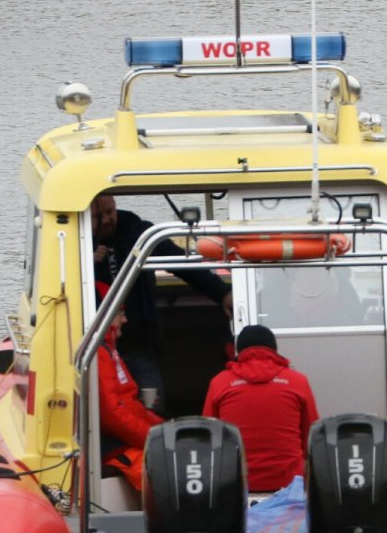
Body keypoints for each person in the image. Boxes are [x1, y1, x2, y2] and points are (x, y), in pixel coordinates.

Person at [91, 193, 232, 405]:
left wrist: (222, 293)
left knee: (153, 406)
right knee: (103, 409)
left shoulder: (139, 232)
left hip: (138, 347)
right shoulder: (75, 243)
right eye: (97, 216)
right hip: (96, 351)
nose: (107, 220)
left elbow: (183, 265)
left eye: (110, 212)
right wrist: (88, 262)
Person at [202, 325, 319, 493]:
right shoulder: (298, 381)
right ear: (274, 350)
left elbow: (209, 438)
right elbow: (313, 438)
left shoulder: (219, 383)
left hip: (235, 484)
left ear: (238, 351)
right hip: (290, 484)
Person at [94, 283, 163, 491]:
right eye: (119, 314)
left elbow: (128, 404)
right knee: (170, 478)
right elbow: (112, 415)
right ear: (104, 316)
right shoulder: (99, 354)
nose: (125, 320)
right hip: (117, 449)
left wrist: (162, 429)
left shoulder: (108, 351)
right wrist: (154, 439)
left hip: (128, 443)